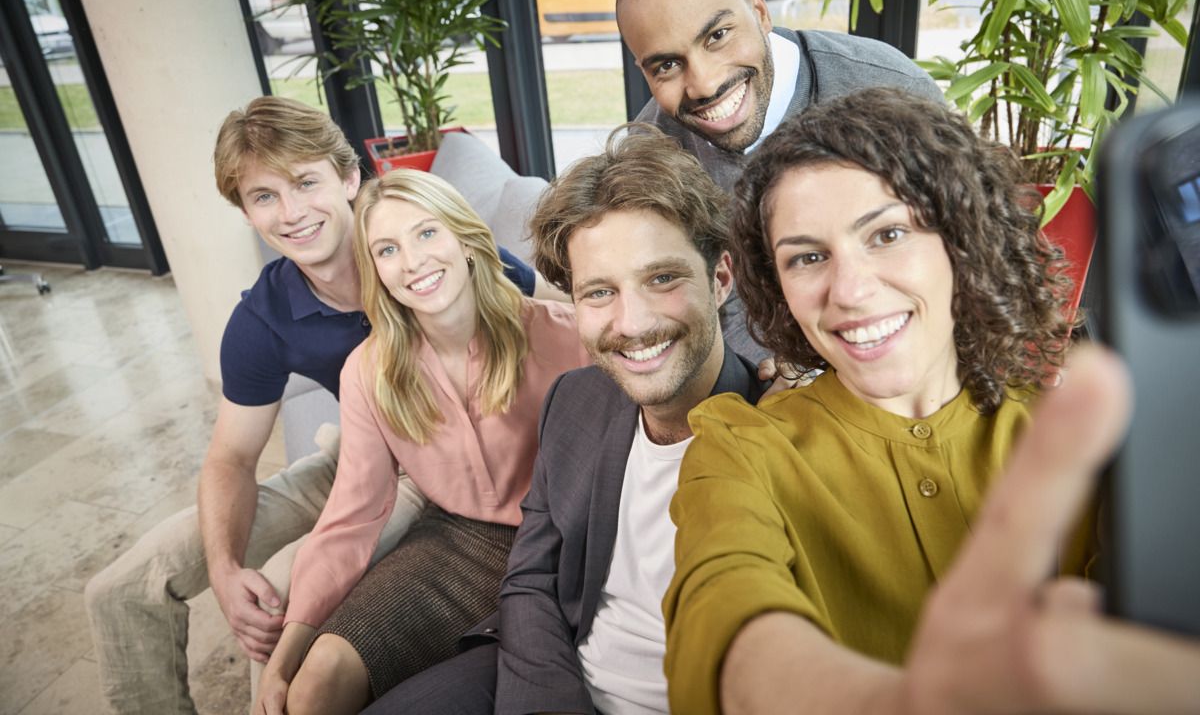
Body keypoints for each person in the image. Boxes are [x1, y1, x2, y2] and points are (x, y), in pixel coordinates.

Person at [663, 88, 1200, 713]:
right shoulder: (740, 448)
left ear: (959, 239)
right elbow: (722, 620)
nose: (852, 290)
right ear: (778, 285)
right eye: (808, 257)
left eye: (888, 233)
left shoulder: (1082, 434)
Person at [84, 96, 551, 715]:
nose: (292, 213)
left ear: (349, 178)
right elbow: (231, 457)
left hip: (434, 469)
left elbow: (547, 318)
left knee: (278, 594)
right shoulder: (263, 318)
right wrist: (224, 570)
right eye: (264, 197)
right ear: (247, 213)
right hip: (357, 452)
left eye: (305, 182)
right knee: (117, 590)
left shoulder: (419, 247)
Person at [362, 123, 770, 715]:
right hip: (554, 668)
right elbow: (529, 578)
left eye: (661, 279)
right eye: (599, 293)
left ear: (720, 278)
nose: (632, 323)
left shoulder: (783, 427)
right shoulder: (576, 400)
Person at [253, 169, 591, 715]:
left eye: (427, 234)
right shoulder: (369, 371)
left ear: (466, 240)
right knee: (315, 687)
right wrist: (286, 657)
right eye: (387, 249)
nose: (412, 263)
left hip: (564, 542)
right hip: (457, 542)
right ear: (375, 271)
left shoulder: (569, 334)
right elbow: (351, 516)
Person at [617, 0, 943, 360]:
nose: (705, 84)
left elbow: (953, 253)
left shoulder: (895, 91)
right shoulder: (649, 156)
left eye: (717, 35)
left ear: (759, 10)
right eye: (667, 65)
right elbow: (692, 299)